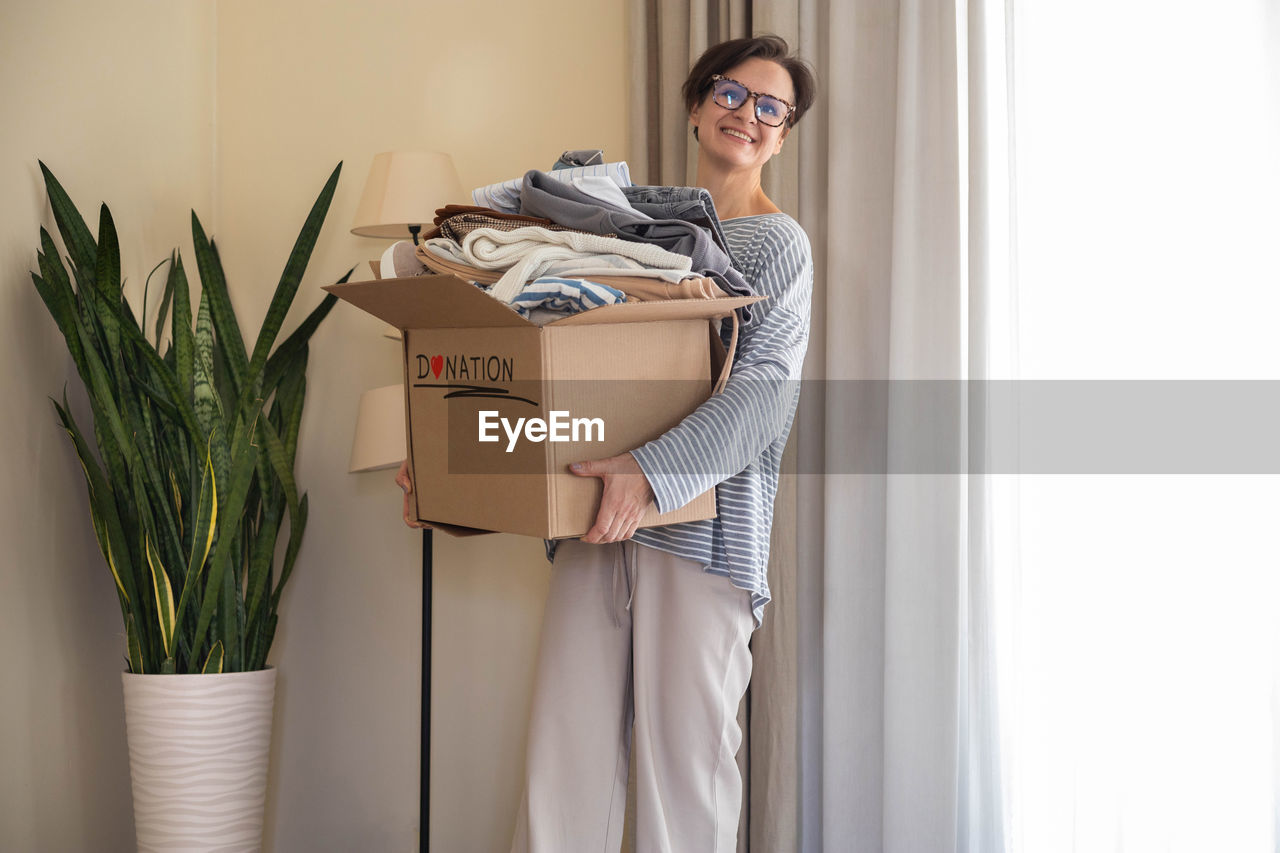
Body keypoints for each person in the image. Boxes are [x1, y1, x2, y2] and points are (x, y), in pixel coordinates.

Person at [397, 34, 816, 852]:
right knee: (563, 770)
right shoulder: (625, 226)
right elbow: (555, 375)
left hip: (704, 539)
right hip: (590, 522)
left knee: (683, 786)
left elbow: (766, 394)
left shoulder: (779, 244)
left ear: (783, 134)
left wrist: (650, 474)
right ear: (697, 106)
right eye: (731, 94)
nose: (748, 115)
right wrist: (455, 476)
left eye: (772, 107)